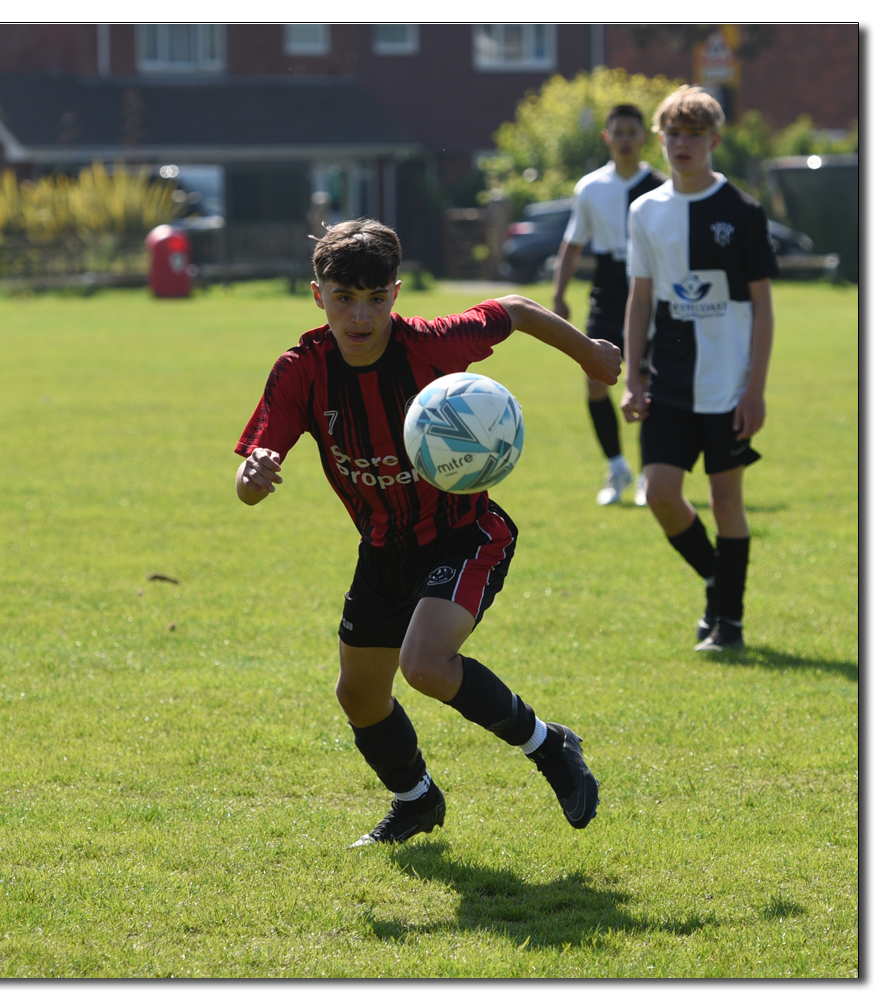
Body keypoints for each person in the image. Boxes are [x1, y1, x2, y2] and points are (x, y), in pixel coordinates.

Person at [235, 218, 621, 845]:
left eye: (376, 298)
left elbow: (517, 308)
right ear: (317, 295)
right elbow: (251, 478)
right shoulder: (302, 371)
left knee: (425, 664)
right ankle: (416, 801)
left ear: (396, 292)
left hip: (463, 532)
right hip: (383, 548)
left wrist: (592, 355)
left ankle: (550, 747)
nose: (360, 316)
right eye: (343, 299)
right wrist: (254, 477)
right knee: (359, 696)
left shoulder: (431, 345)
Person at [620, 86, 778, 652]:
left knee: (725, 500)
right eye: (673, 134)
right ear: (660, 139)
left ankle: (728, 623)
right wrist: (634, 376)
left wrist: (754, 390)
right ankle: (718, 580)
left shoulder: (742, 211)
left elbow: (762, 305)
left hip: (728, 384)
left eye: (694, 135)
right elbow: (640, 297)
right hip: (670, 379)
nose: (682, 144)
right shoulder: (645, 211)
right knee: (660, 493)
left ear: (714, 140)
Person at [553, 104, 666, 507]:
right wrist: (559, 294)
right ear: (606, 137)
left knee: (650, 387)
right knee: (595, 379)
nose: (624, 139)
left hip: (649, 287)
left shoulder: (659, 186)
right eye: (616, 131)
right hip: (608, 286)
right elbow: (573, 243)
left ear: (644, 138)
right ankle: (617, 466)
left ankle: (651, 475)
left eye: (631, 131)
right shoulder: (591, 187)